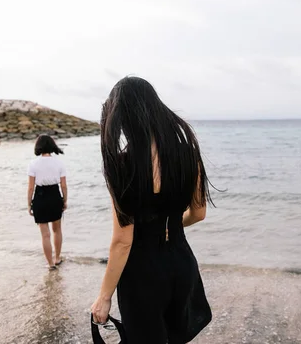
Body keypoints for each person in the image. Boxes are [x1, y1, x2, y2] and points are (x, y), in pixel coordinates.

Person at [91, 77, 213, 343]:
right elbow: (198, 213)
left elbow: (123, 241)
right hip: (181, 264)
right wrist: (169, 225)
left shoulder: (123, 164)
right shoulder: (188, 153)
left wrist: (104, 297)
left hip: (141, 273)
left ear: (122, 118)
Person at [27, 135, 68, 270]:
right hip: (55, 196)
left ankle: (50, 264)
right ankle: (57, 258)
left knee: (45, 234)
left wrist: (29, 204)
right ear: (52, 146)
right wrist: (65, 200)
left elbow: (31, 187)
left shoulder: (33, 163)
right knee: (57, 230)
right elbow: (63, 185)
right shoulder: (59, 163)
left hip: (40, 197)